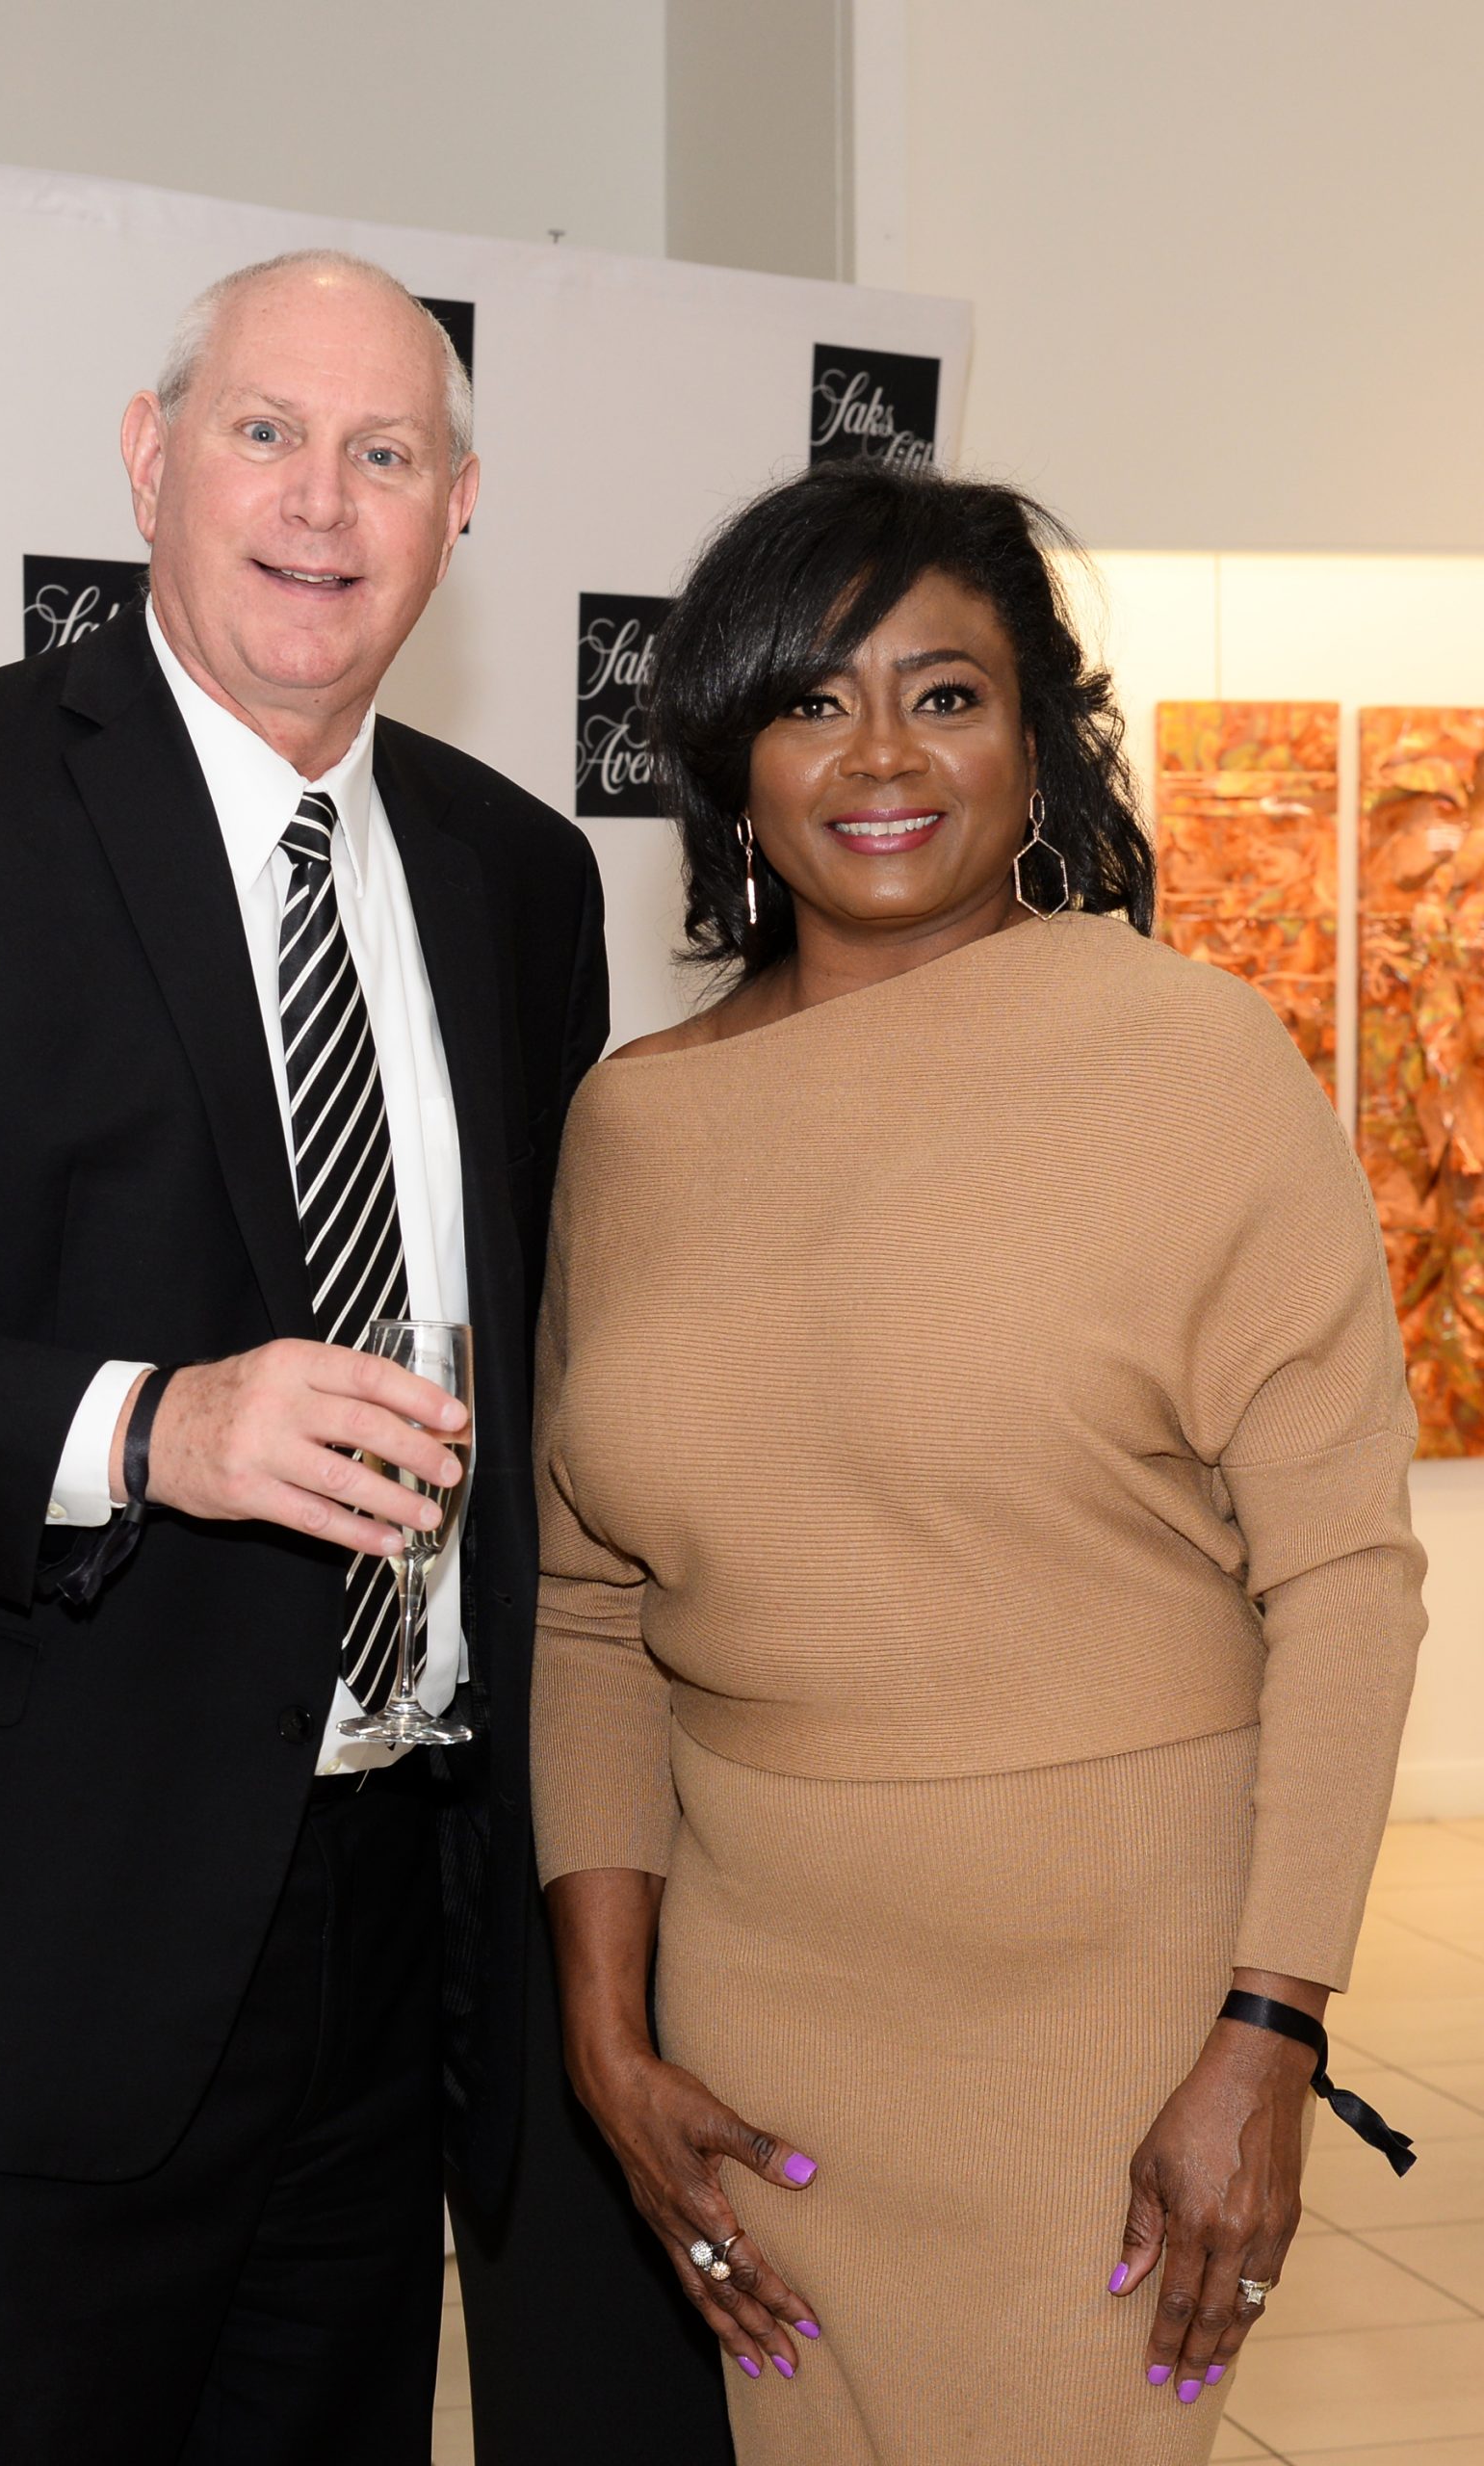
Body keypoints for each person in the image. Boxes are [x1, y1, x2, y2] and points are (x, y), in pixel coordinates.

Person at [0, 250, 731, 2466]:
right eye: (263, 432)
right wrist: (143, 1425)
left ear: (459, 506)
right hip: (0, 1947)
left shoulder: (510, 877)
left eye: (383, 452)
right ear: (148, 459)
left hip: (392, 1944)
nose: (319, 500)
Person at [529, 459, 1427, 2465]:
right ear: (732, 762)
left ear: (1037, 744)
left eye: (945, 695)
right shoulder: (633, 1125)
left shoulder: (1191, 1058)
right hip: (764, 2022)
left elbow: (1345, 1580)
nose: (880, 756)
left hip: (1114, 2013)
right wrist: (605, 2023)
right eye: (811, 699)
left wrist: (1271, 2027)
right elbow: (590, 1613)